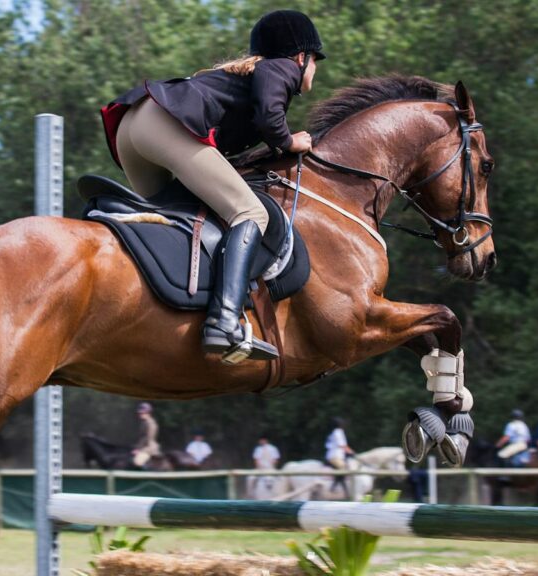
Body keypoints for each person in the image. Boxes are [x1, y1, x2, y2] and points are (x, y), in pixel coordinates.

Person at [100, 10, 325, 362]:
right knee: (250, 211)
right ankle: (224, 321)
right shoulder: (279, 68)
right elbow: (270, 117)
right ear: (301, 57)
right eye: (315, 61)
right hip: (163, 126)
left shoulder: (239, 77)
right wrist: (289, 141)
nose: (315, 70)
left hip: (133, 128)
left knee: (171, 220)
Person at [325, 417, 354, 498]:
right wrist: (351, 452)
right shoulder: (338, 432)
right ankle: (336, 488)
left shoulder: (334, 432)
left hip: (337, 455)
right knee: (344, 468)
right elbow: (342, 445)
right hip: (335, 456)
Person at [132, 402, 161, 468]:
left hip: (149, 448)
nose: (140, 414)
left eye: (142, 413)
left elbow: (148, 439)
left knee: (137, 462)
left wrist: (139, 450)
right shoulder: (143, 422)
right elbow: (141, 439)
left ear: (148, 413)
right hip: (143, 447)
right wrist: (136, 447)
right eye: (139, 413)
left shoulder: (151, 423)